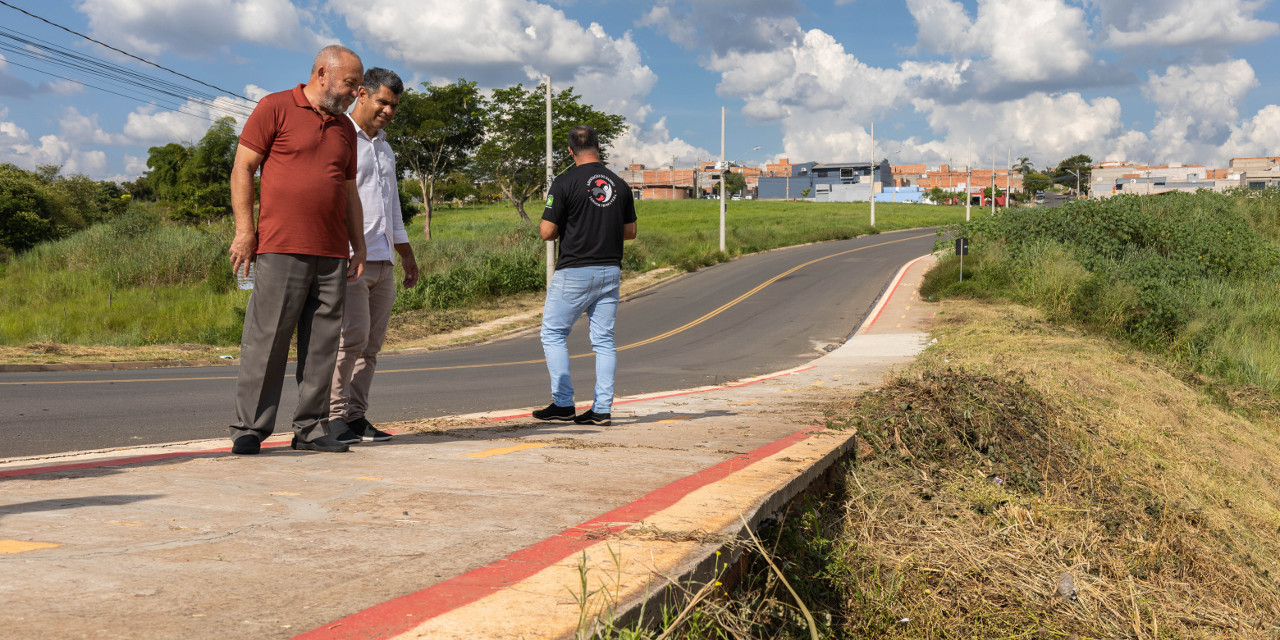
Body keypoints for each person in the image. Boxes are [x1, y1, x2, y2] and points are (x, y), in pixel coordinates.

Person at [227, 45, 367, 455]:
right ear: (322, 73)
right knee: (267, 338)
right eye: (350, 84)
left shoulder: (344, 129)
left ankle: (310, 428)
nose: (355, 94)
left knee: (323, 344)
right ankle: (250, 428)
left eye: (359, 87)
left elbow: (348, 191)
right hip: (280, 247)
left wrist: (357, 245)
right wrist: (244, 231)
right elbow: (243, 168)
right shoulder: (274, 107)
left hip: (331, 253)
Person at [327, 68, 419, 444]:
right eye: (382, 102)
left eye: (393, 105)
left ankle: (355, 416)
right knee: (350, 341)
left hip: (383, 260)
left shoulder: (384, 147)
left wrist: (407, 256)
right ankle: (332, 416)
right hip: (350, 257)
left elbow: (391, 206)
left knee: (372, 346)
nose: (388, 111)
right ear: (361, 94)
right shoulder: (341, 136)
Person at [533, 125, 637, 427]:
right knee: (604, 341)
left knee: (553, 334)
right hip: (610, 270)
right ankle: (601, 409)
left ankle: (564, 404)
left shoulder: (564, 182)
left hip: (575, 270)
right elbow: (630, 232)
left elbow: (546, 232)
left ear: (569, 150)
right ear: (599, 145)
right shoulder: (619, 184)